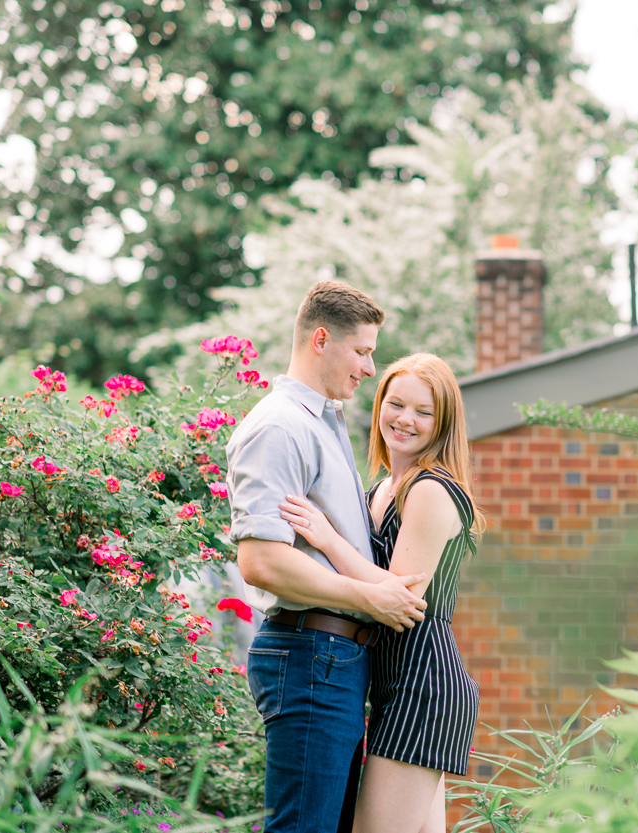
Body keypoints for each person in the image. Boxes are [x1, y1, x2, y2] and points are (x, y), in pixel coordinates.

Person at [226, 281, 431, 833]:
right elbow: (262, 563)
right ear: (321, 338)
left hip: (335, 657)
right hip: (310, 651)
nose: (370, 367)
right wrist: (370, 597)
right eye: (362, 350)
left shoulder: (323, 421)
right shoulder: (279, 426)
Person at [279, 353, 483, 833]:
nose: (405, 419)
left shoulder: (432, 490)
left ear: (443, 423)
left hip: (424, 687)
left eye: (423, 412)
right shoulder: (380, 490)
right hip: (390, 684)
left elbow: (400, 598)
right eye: (396, 404)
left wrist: (327, 537)